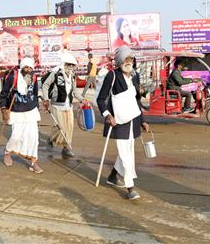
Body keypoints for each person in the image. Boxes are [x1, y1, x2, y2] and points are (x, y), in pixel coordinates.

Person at [96, 46, 150, 200]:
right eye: (126, 59)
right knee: (126, 154)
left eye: (131, 59)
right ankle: (130, 187)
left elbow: (136, 101)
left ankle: (112, 176)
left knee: (126, 152)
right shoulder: (112, 76)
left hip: (133, 120)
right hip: (118, 122)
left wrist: (143, 121)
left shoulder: (134, 76)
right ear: (119, 62)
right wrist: (107, 115)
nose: (129, 62)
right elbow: (101, 99)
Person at [0, 57, 43, 173]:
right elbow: (3, 94)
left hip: (31, 111)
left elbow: (35, 93)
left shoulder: (33, 77)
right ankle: (7, 152)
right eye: (26, 67)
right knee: (16, 136)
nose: (28, 70)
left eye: (30, 68)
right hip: (16, 111)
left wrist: (37, 108)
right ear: (22, 67)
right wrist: (4, 110)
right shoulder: (13, 77)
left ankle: (34, 162)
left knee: (33, 138)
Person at [42, 52, 88, 158]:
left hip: (69, 105)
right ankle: (51, 138)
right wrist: (46, 99)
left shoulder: (72, 77)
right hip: (57, 105)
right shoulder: (56, 74)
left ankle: (66, 148)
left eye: (72, 65)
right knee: (61, 127)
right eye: (69, 64)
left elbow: (75, 92)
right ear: (64, 64)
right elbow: (45, 85)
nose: (71, 67)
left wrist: (82, 99)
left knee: (69, 127)